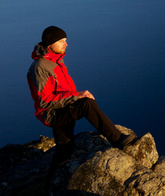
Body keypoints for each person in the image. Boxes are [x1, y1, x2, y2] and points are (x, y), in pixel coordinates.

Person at [27, 26, 135, 190]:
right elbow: (44, 101)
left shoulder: (55, 60)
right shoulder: (40, 67)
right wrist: (77, 97)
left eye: (66, 40)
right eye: (62, 41)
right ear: (50, 44)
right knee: (86, 105)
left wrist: (75, 95)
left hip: (62, 107)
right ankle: (117, 139)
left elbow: (62, 91)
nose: (66, 44)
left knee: (65, 148)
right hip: (53, 113)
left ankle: (49, 187)